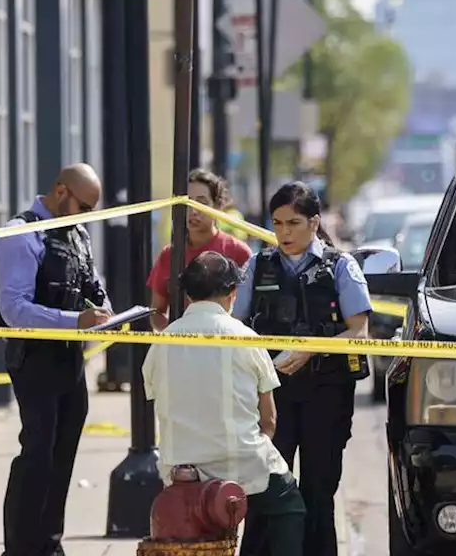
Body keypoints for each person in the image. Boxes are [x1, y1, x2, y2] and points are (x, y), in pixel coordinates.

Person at [231, 182, 373, 556]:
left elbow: (359, 331)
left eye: (293, 223)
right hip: (271, 394)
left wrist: (311, 349)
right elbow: (236, 326)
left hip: (326, 392)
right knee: (266, 485)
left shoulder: (340, 266)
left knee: (318, 489)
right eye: (277, 223)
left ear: (314, 222)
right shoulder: (258, 266)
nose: (284, 232)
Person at [143, 251, 305, 556]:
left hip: (180, 468)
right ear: (233, 294)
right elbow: (269, 420)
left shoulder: (161, 343)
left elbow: (155, 398)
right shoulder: (246, 339)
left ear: (188, 296)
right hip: (240, 461)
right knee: (288, 506)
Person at [0, 163, 114, 556]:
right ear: (61, 191)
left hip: (70, 357)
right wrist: (74, 320)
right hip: (35, 357)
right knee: (38, 453)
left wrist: (106, 312)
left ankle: (49, 544)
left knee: (63, 454)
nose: (88, 216)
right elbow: (14, 309)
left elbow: (93, 286)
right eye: (84, 206)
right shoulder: (21, 235)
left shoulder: (78, 234)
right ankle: (20, 548)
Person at [146, 168, 252, 332]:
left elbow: (248, 311)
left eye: (201, 203)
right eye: (187, 203)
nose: (193, 211)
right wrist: (177, 334)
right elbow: (156, 312)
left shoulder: (239, 252)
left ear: (217, 206)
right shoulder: (169, 255)